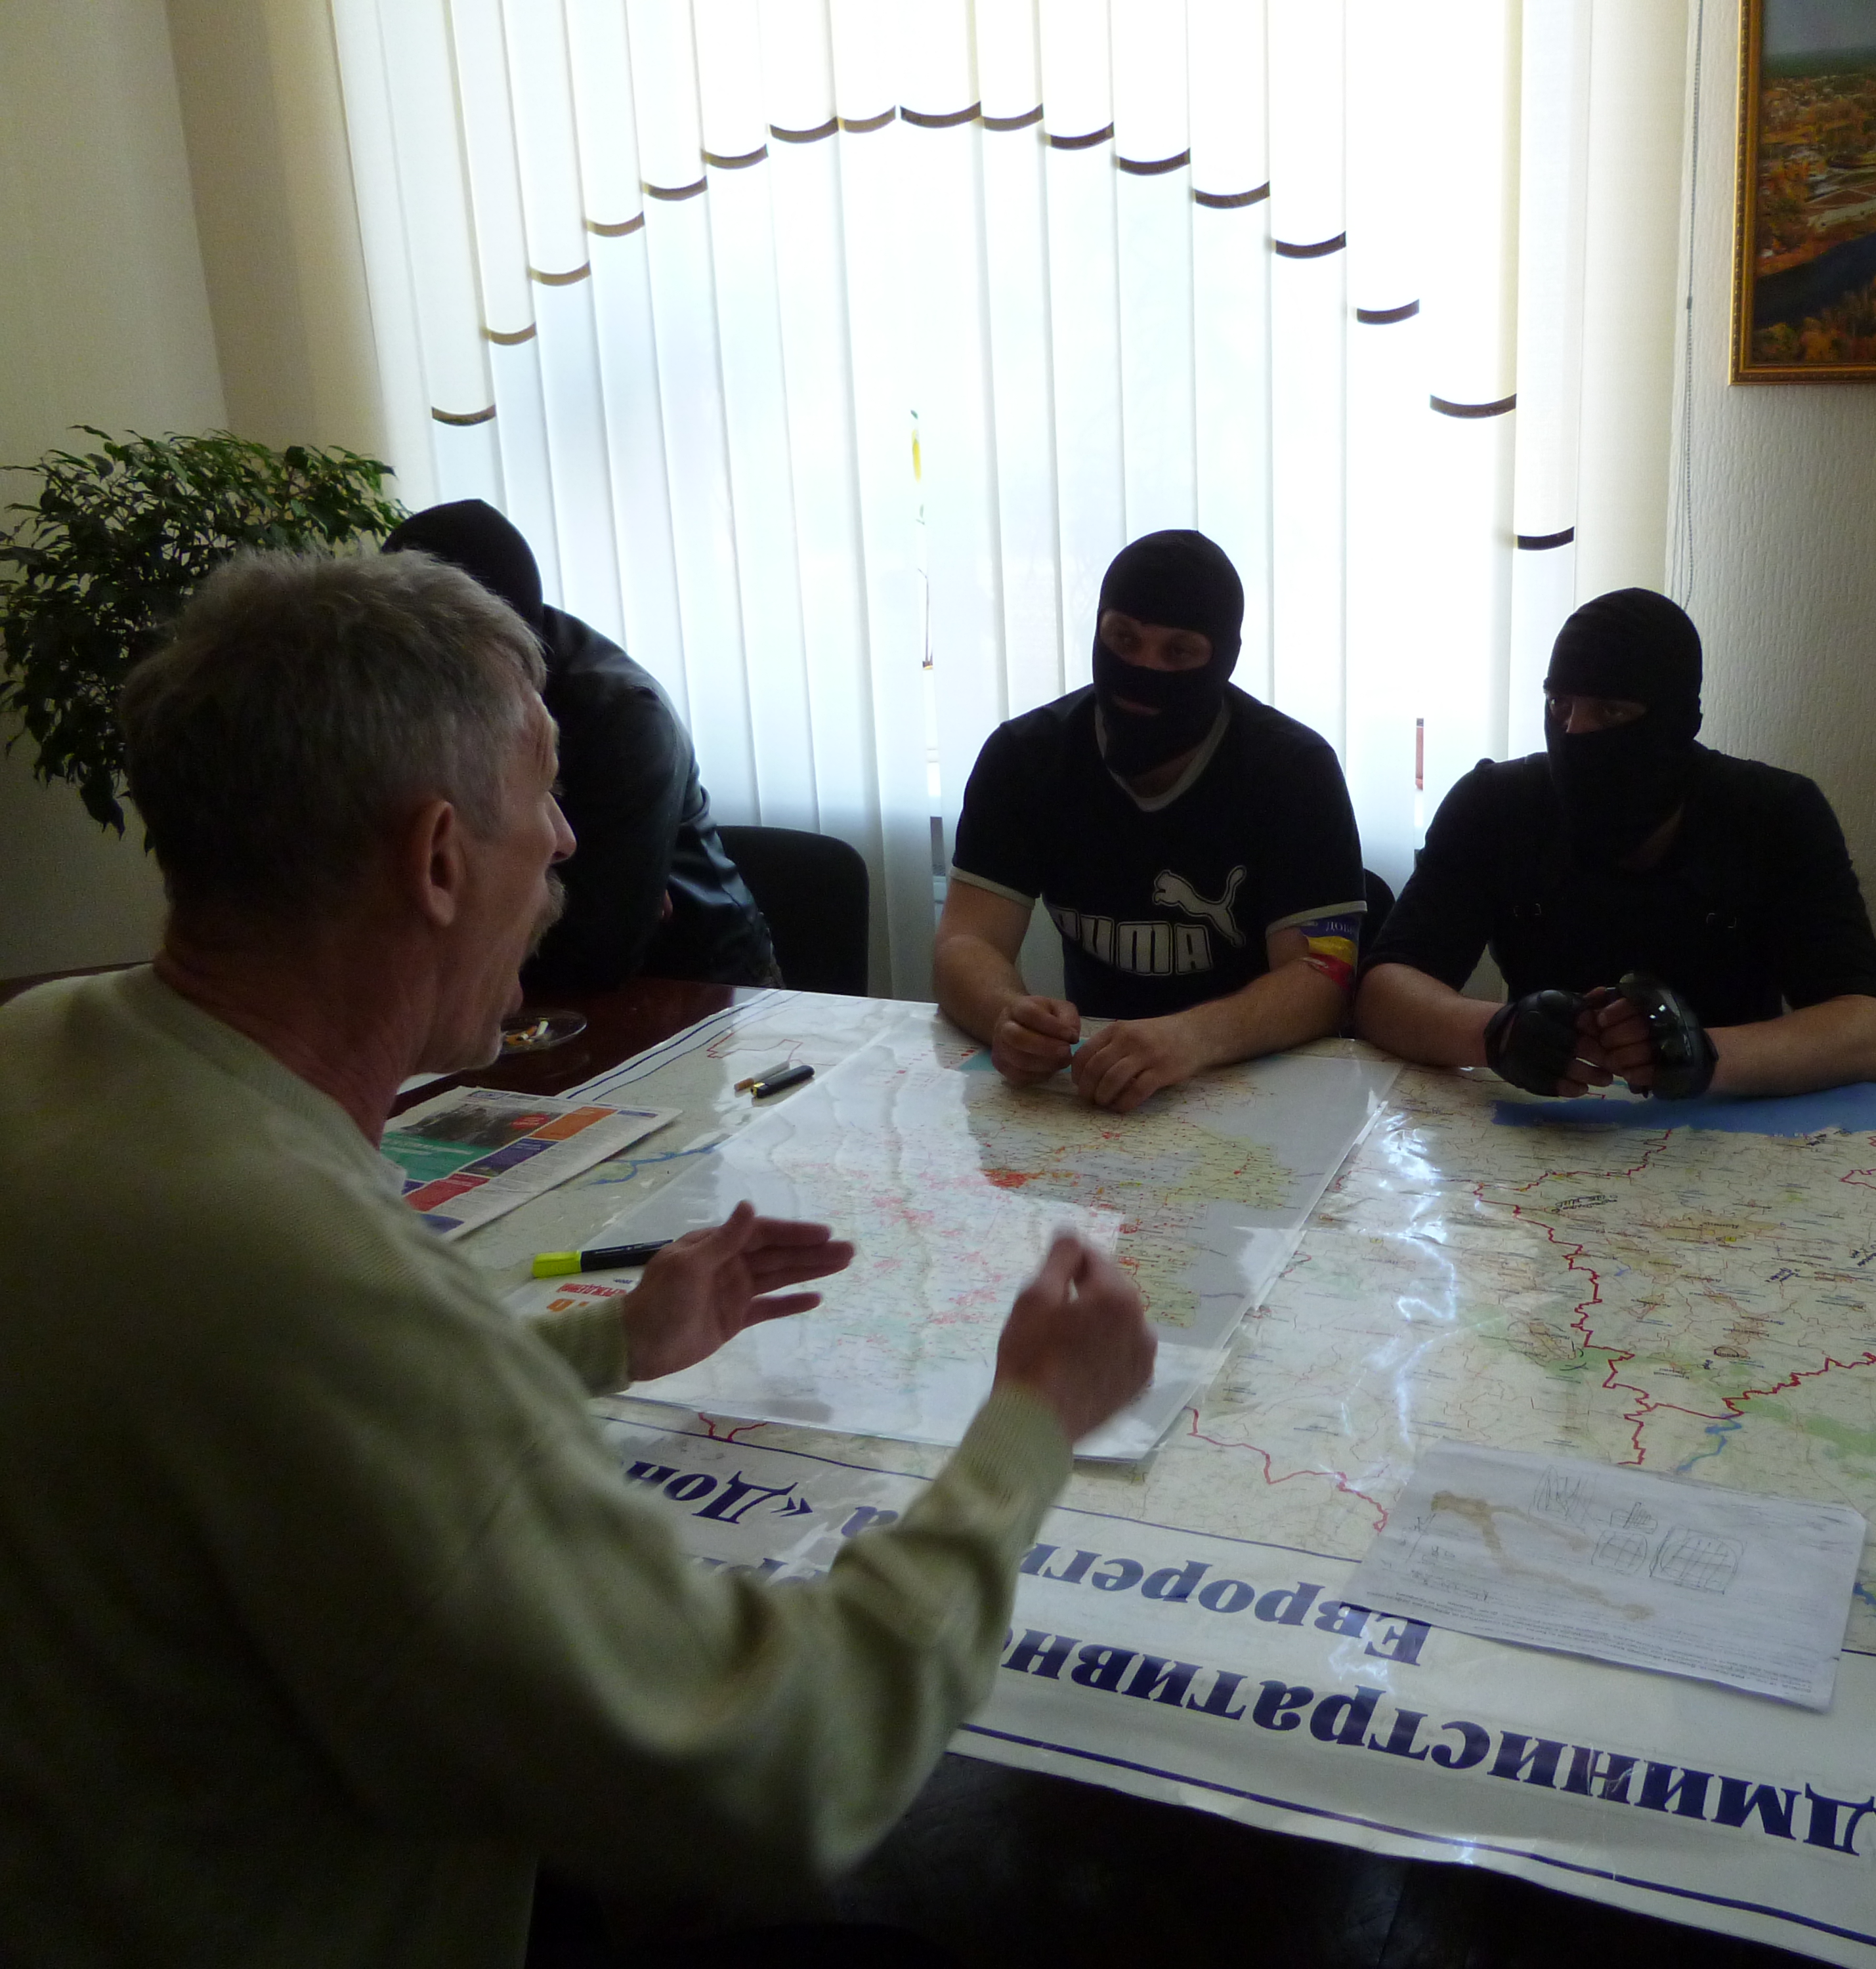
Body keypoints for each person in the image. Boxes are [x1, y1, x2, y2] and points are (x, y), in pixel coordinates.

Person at [0, 551, 1157, 1966]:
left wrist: (619, 1340)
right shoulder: (297, 1272)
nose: (564, 840)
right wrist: (1031, 1423)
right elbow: (791, 1766)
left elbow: (264, 1442)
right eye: (540, 794)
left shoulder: (42, 1050)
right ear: (435, 861)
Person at [1356, 588, 1876, 1099]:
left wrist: (1705, 1056)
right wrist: (1496, 1033)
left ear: (1679, 723)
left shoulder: (1774, 814)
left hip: (1729, 1132)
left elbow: (1866, 1032)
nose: (1574, 734)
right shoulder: (1497, 805)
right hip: (1544, 1139)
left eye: (1610, 711)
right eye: (1559, 705)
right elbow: (1384, 992)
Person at [936, 530, 1367, 1112]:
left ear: (1224, 658)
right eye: (1124, 638)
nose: (1143, 669)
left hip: (1264, 1085)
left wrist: (1190, 1038)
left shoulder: (1292, 770)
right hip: (1096, 1088)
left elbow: (1321, 978)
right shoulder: (1027, 757)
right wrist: (1006, 1016)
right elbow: (966, 940)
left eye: (1179, 652)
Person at [383, 499, 778, 993]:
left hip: (697, 980)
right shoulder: (421, 695)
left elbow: (595, 948)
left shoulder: (623, 715)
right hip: (527, 977)